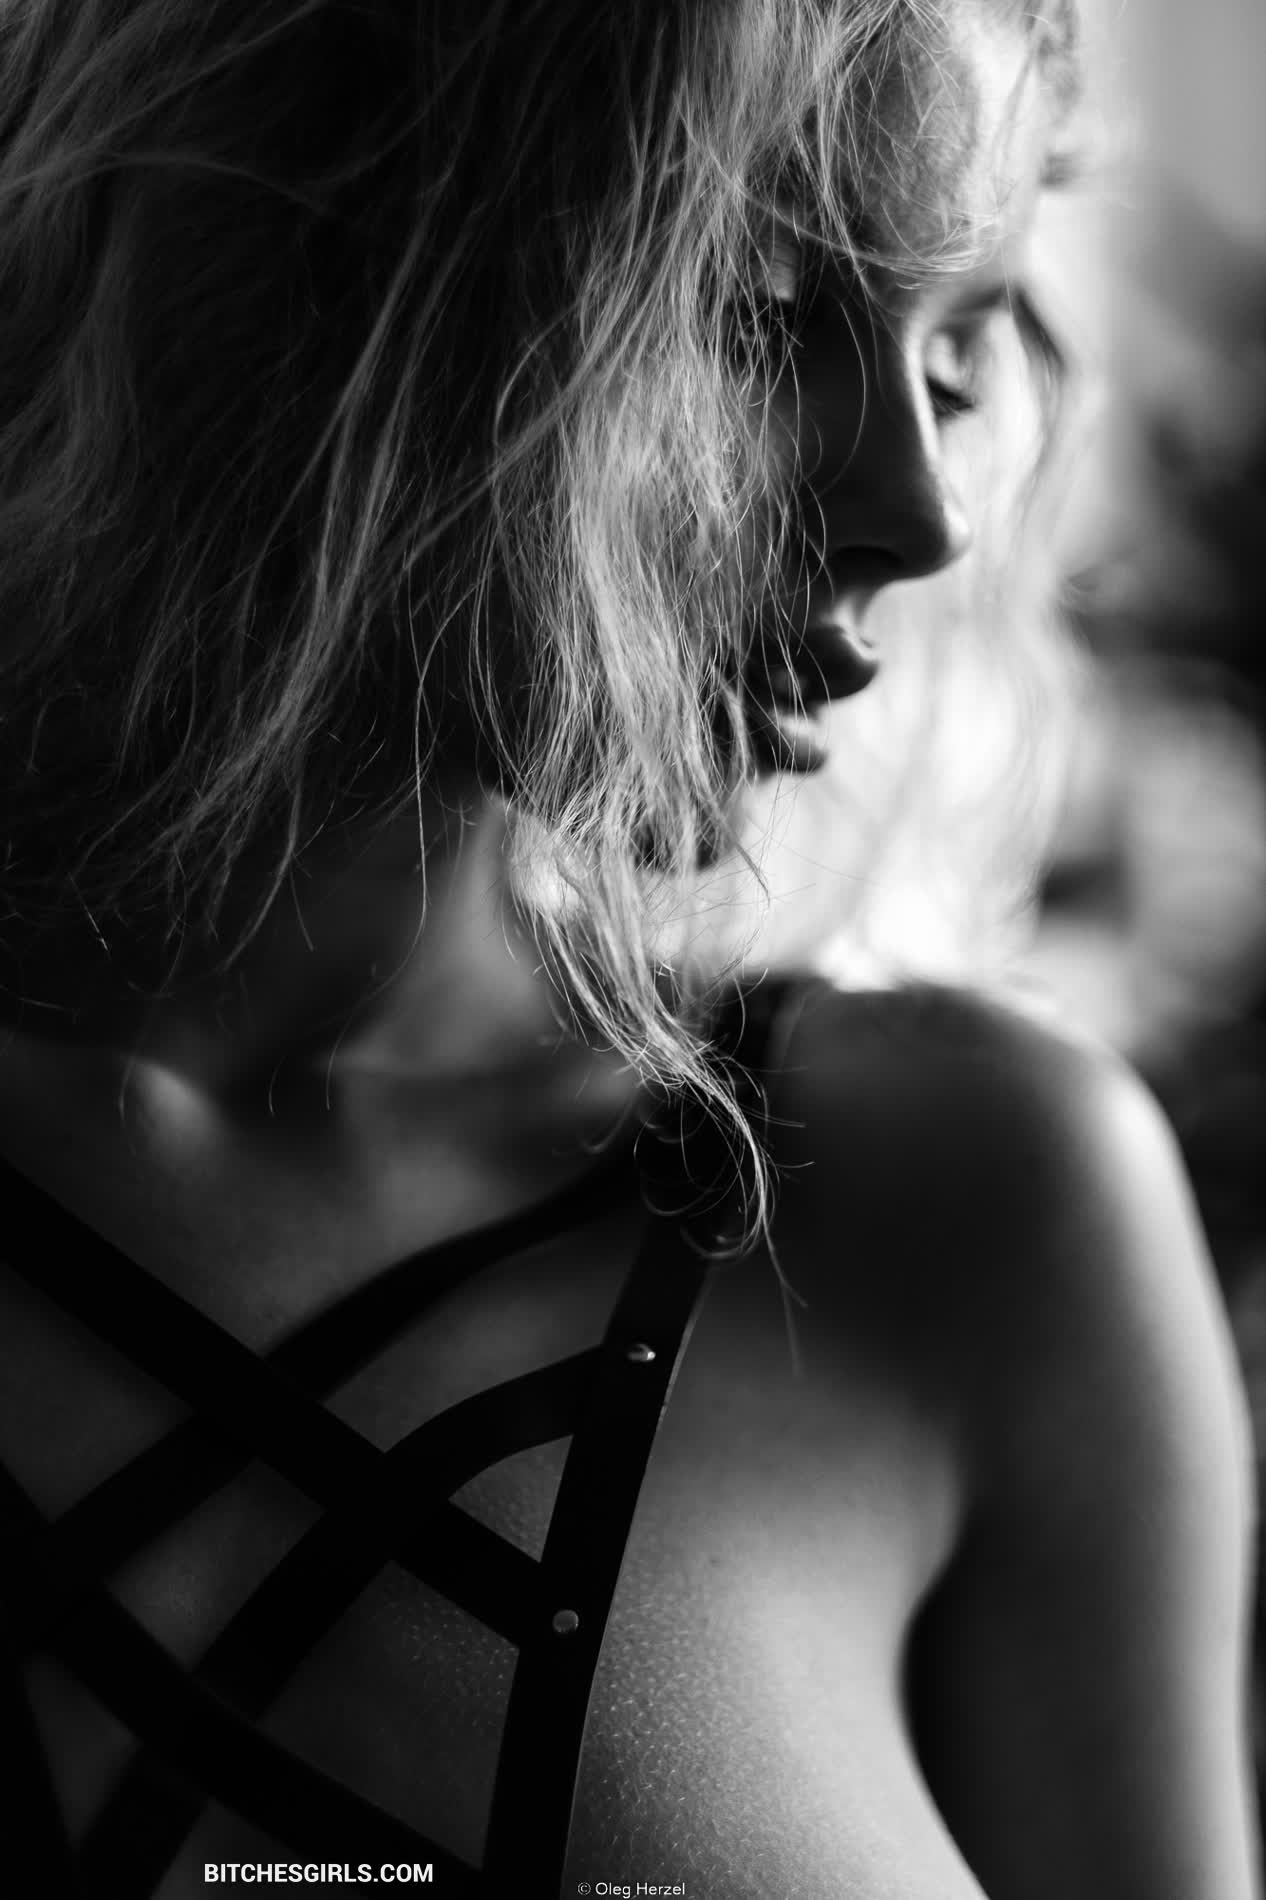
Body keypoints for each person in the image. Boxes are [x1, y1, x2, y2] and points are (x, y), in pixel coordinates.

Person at [0, 2, 1257, 1896]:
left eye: (955, 356)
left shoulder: (963, 1218)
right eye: (751, 317)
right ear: (293, 274)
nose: (920, 513)